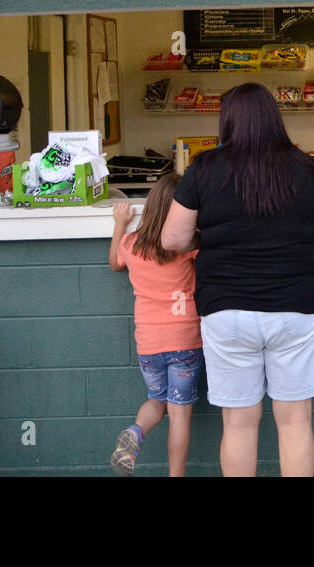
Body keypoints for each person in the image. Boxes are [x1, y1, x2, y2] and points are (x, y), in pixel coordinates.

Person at [160, 82, 314, 477]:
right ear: (273, 118)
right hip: (295, 309)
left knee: (239, 425)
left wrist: (208, 237)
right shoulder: (310, 168)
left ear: (227, 121)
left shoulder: (203, 168)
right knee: (295, 422)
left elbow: (172, 239)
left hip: (226, 311)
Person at [108, 173, 202, 477]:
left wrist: (120, 224)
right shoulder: (187, 246)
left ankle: (136, 432)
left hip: (149, 344)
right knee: (179, 415)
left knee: (157, 401)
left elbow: (114, 263)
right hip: (184, 340)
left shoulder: (131, 244)